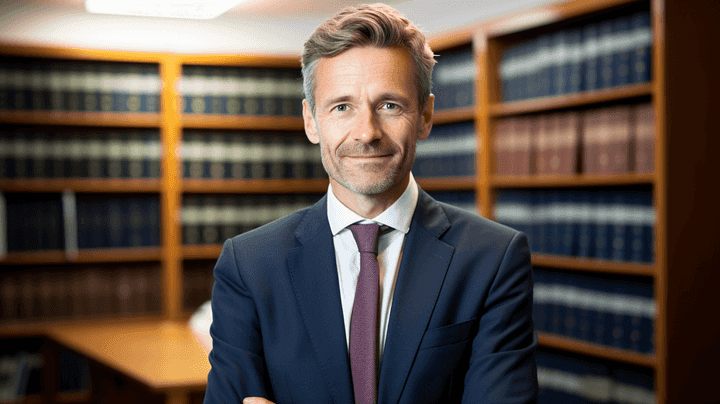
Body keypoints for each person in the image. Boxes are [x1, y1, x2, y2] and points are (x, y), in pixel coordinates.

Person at [203, 3, 538, 404]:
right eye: (342, 107)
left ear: (426, 115)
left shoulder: (492, 259)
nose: (367, 132)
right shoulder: (249, 265)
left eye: (389, 105)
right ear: (311, 121)